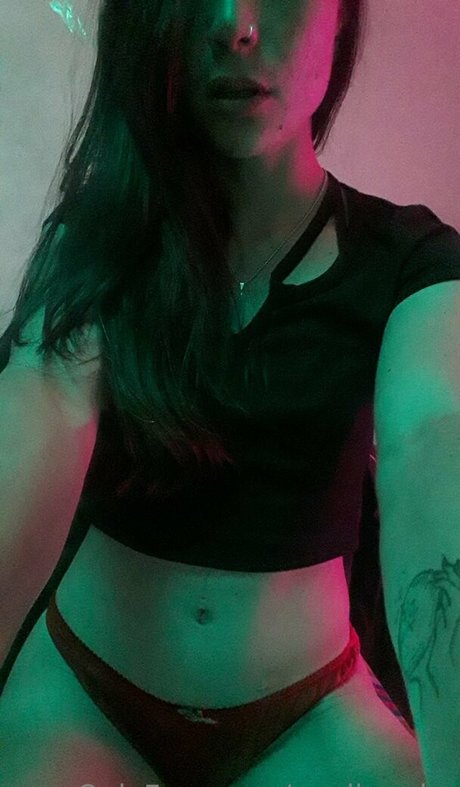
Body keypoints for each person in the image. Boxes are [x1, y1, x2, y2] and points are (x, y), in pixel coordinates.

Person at [3, 1, 459, 785]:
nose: (235, 25)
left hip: (306, 708)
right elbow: (39, 402)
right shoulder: (103, 236)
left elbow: (434, 436)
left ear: (340, 17)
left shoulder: (411, 261)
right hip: (83, 693)